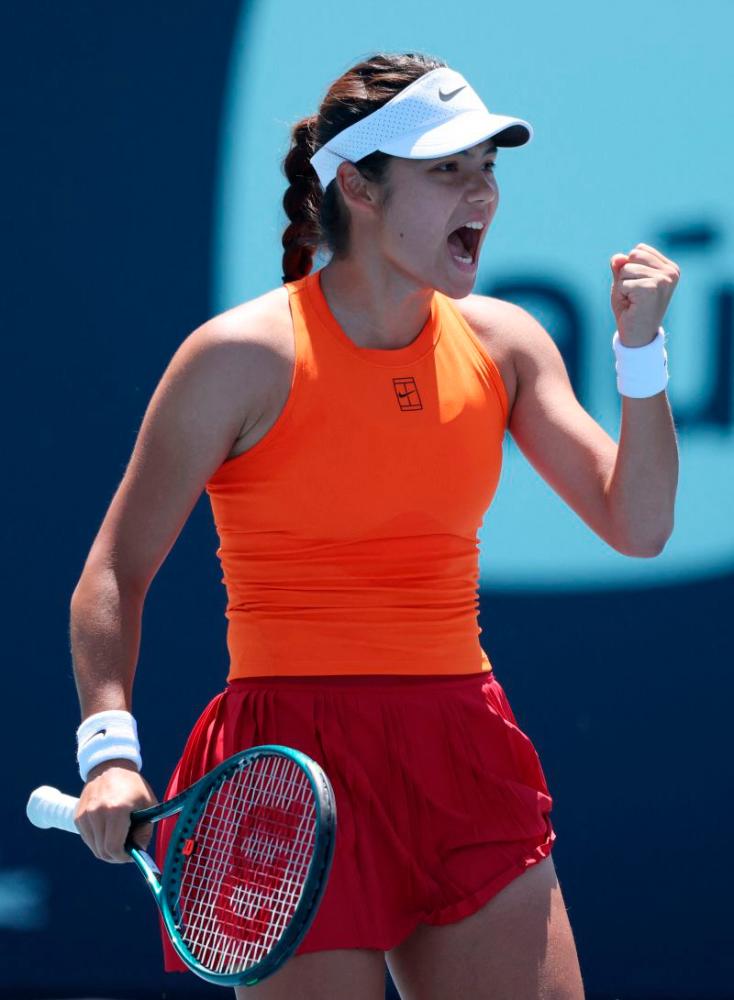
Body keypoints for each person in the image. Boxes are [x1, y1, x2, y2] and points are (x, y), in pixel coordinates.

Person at [69, 51, 679, 1000]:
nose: (480, 192)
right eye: (447, 170)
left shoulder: (507, 345)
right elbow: (113, 573)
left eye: (488, 169)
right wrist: (108, 753)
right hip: (287, 766)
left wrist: (640, 358)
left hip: (460, 749)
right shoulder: (238, 357)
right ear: (357, 184)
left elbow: (637, 525)